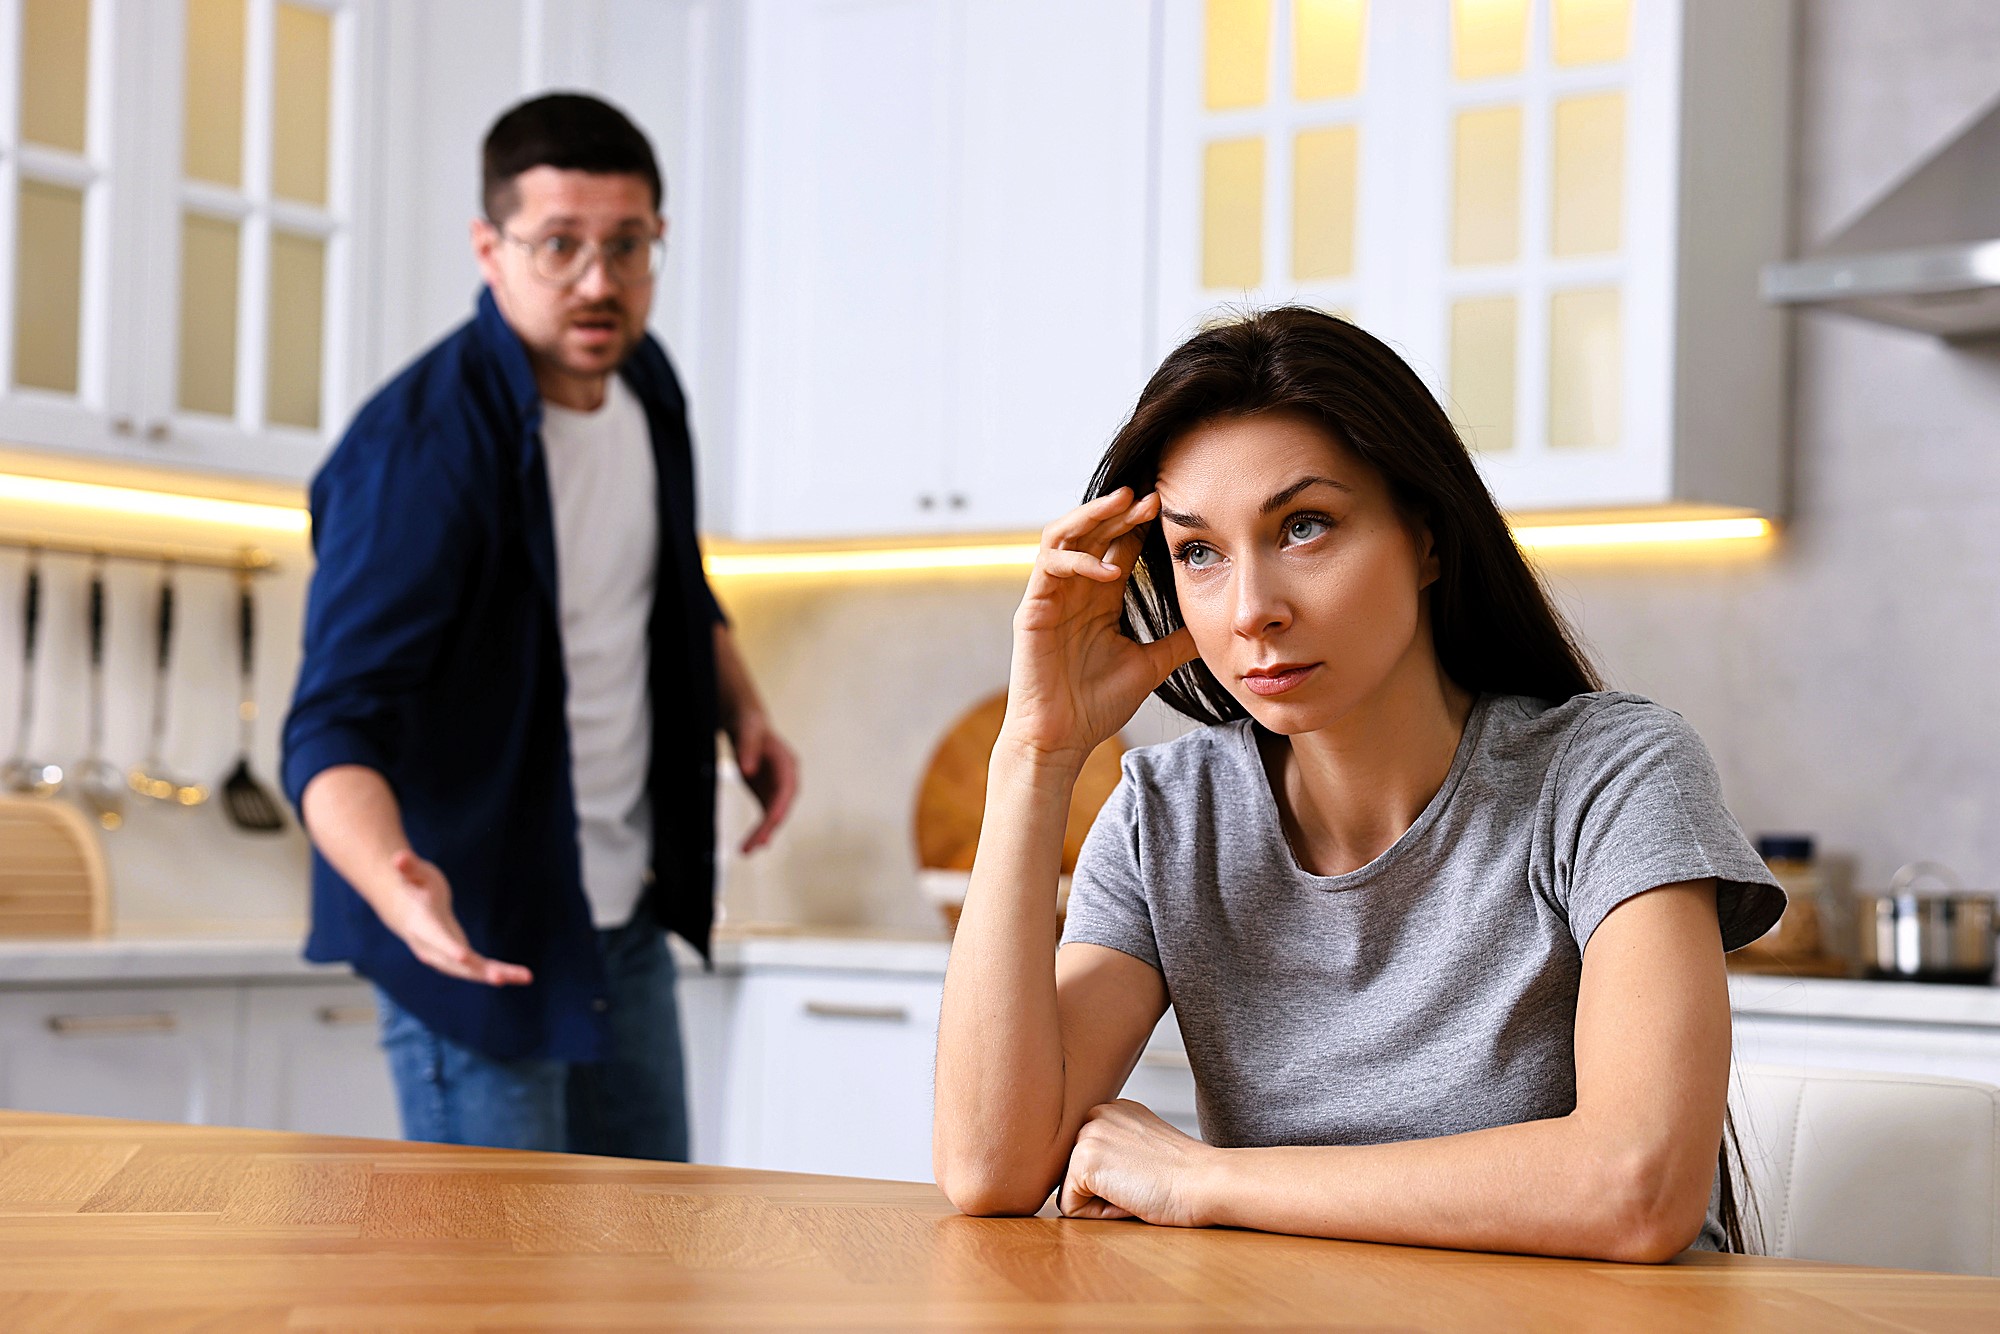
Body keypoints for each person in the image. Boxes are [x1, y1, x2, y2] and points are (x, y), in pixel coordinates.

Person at [932, 306, 1784, 1261]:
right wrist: (1035, 756)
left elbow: (1640, 1189)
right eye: (1199, 552)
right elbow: (991, 1167)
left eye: (1304, 527)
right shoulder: (1170, 818)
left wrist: (1204, 1178)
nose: (1253, 610)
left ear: (1425, 538)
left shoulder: (1611, 774)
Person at [282, 93, 796, 1160]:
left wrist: (740, 704)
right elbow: (330, 724)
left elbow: (671, 577)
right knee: (494, 1294)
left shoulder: (645, 384)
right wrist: (396, 885)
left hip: (621, 923)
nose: (598, 281)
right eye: (559, 245)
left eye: (627, 244)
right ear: (490, 246)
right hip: (481, 939)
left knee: (649, 1273)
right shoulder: (419, 452)